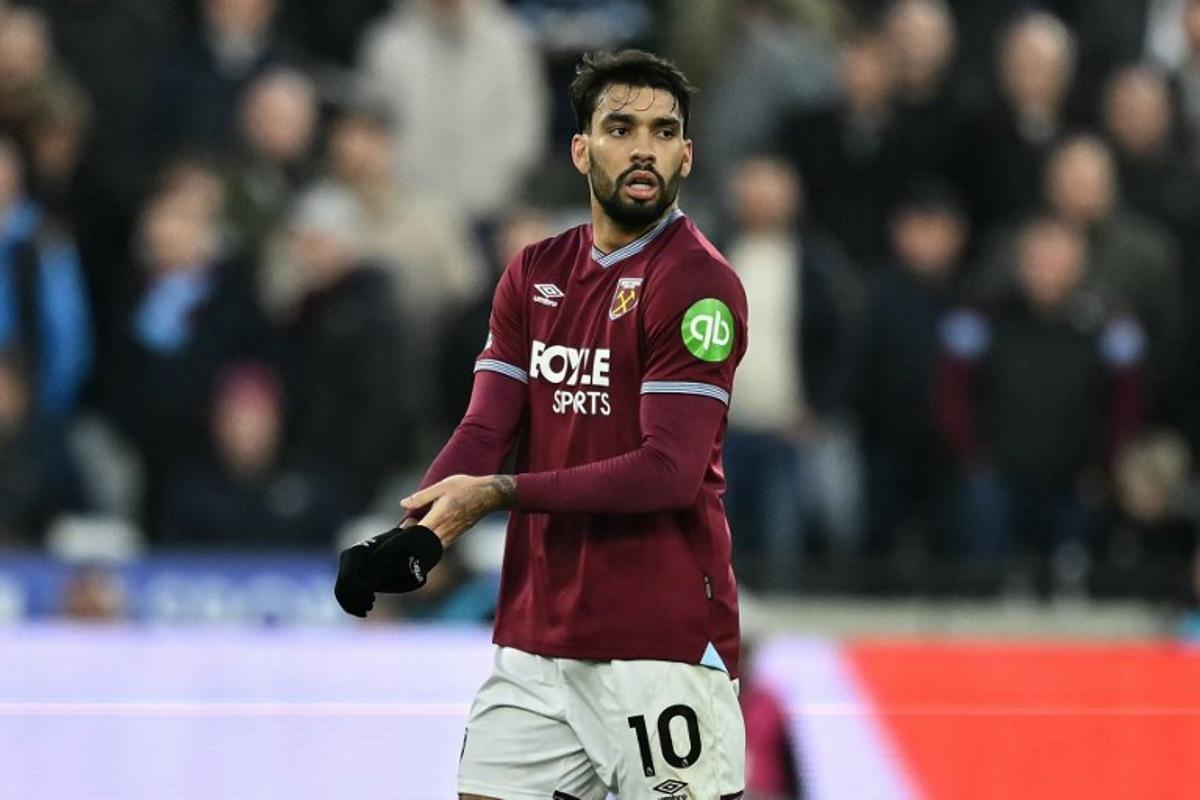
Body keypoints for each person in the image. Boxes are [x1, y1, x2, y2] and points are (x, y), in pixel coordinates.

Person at [335, 49, 748, 799]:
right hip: (537, 641)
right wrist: (414, 532)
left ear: (687, 155)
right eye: (621, 128)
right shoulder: (534, 272)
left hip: (659, 647)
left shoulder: (697, 284)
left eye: (663, 131)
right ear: (581, 149)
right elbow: (484, 432)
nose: (643, 148)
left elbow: (668, 472)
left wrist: (495, 495)